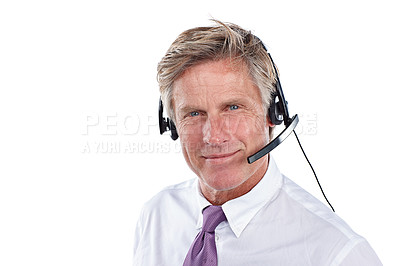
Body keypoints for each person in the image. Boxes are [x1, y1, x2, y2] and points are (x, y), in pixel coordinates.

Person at [133, 20, 382, 265]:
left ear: (272, 113)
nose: (213, 136)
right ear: (172, 124)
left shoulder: (336, 253)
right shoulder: (155, 216)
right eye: (194, 113)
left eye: (232, 107)